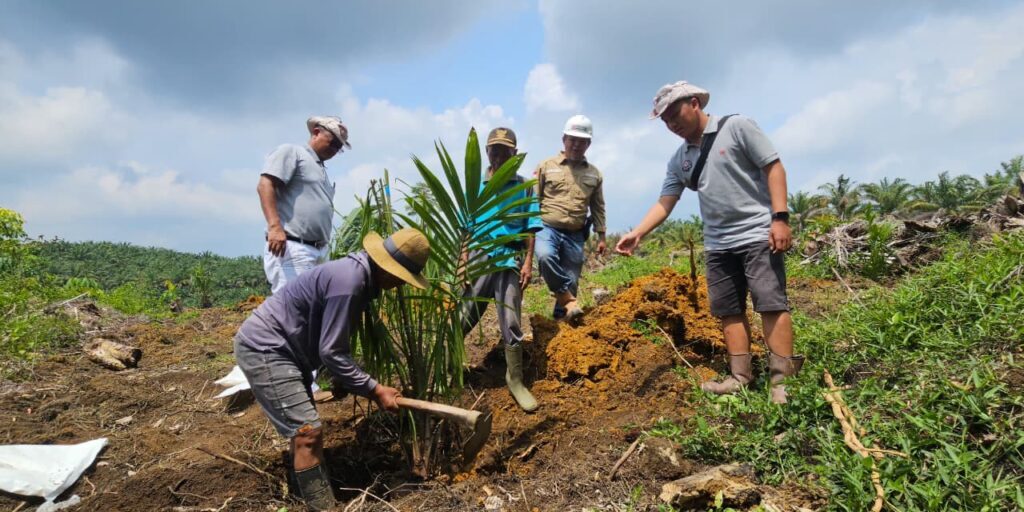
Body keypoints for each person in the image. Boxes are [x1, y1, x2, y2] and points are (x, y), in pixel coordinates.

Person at [615, 81, 804, 404]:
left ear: (694, 103)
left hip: (757, 233)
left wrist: (780, 218)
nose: (672, 124)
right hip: (718, 244)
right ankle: (740, 377)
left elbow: (773, 167)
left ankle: (783, 381)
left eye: (675, 115)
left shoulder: (737, 127)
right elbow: (666, 201)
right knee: (729, 310)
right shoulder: (680, 160)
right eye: (665, 121)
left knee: (771, 303)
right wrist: (639, 232)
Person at [233, 228, 429, 510]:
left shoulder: (356, 275)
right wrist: (376, 390)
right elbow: (332, 351)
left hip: (288, 351)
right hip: (268, 348)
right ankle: (322, 507)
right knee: (307, 432)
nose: (400, 285)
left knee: (303, 431)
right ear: (389, 269)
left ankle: (301, 499)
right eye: (402, 277)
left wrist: (341, 379)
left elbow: (331, 338)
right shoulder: (350, 283)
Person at [462, 127, 543, 412]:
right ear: (487, 152)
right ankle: (448, 366)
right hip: (480, 255)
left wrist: (528, 261)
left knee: (511, 319)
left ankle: (515, 379)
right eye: (494, 149)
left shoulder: (523, 185)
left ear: (514, 154)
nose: (498, 155)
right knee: (465, 314)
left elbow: (531, 225)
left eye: (504, 150)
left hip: (509, 257)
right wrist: (462, 263)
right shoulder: (476, 185)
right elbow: (465, 228)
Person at [258, 116, 351, 294]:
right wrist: (274, 227)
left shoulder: (320, 168)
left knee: (314, 305)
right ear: (316, 132)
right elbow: (265, 185)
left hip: (318, 250)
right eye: (332, 143)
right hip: (294, 247)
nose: (334, 150)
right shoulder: (292, 152)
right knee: (293, 303)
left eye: (338, 148)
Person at [533, 115, 607, 321]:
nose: (576, 145)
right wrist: (528, 230)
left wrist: (601, 235)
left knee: (572, 279)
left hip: (575, 234)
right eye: (572, 139)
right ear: (564, 139)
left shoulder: (594, 174)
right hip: (546, 228)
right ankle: (567, 299)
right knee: (545, 256)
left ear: (588, 144)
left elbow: (598, 206)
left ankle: (561, 322)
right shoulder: (546, 166)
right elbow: (533, 200)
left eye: (582, 141)